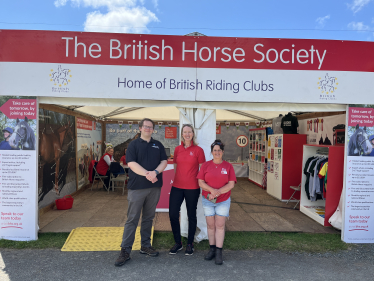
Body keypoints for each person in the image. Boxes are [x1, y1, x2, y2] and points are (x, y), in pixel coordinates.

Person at [115, 118, 168, 267]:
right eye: (145, 126)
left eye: (150, 127)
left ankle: (145, 245)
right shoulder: (133, 145)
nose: (148, 129)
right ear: (140, 128)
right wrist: (148, 174)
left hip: (154, 188)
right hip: (137, 188)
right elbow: (131, 164)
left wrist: (156, 172)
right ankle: (125, 250)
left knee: (148, 218)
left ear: (153, 129)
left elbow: (164, 161)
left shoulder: (158, 145)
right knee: (132, 219)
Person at [197, 140, 236, 265]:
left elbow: (231, 184)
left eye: (219, 150)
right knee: (210, 225)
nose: (217, 152)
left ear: (223, 152)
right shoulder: (206, 165)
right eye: (215, 150)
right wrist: (212, 191)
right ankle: (212, 249)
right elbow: (200, 182)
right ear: (212, 152)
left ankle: (219, 252)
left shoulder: (228, 166)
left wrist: (217, 192)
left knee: (220, 225)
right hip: (208, 199)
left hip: (223, 201)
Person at [168, 124, 206, 256]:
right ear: (182, 134)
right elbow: (175, 166)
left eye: (189, 132)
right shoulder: (177, 149)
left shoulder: (198, 150)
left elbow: (203, 169)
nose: (187, 134)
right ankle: (178, 243)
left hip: (193, 188)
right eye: (185, 132)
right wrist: (179, 178)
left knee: (191, 215)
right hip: (177, 187)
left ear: (193, 134)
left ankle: (190, 243)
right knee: (173, 213)